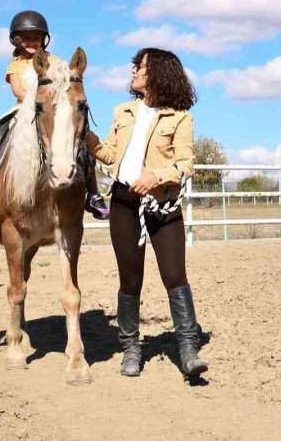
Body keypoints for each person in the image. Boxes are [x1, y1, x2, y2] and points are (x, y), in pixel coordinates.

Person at [85, 48, 208, 378]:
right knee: (130, 279)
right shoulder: (123, 111)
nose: (134, 72)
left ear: (157, 73)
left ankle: (188, 349)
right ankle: (131, 348)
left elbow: (185, 165)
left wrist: (155, 176)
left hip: (162, 206)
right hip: (124, 203)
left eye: (139, 67)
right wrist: (86, 136)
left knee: (174, 276)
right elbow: (109, 154)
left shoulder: (180, 117)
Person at [0, 10, 109, 219]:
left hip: (50, 109)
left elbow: (64, 84)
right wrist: (34, 100)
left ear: (44, 39)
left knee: (80, 139)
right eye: (27, 38)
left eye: (36, 38)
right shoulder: (15, 64)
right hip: (23, 107)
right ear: (17, 40)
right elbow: (17, 90)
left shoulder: (54, 60)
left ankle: (93, 193)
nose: (32, 42)